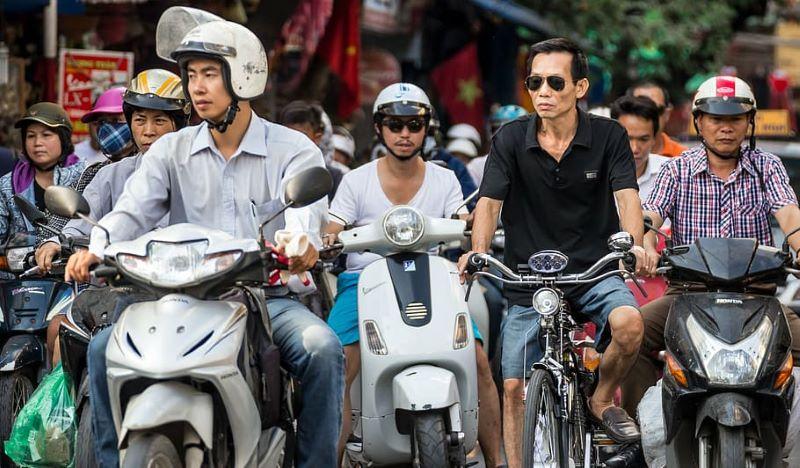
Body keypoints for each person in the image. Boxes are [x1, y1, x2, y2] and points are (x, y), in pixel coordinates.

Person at [65, 13, 344, 467]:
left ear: (244, 76)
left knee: (322, 350)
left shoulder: (293, 150)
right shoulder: (171, 151)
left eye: (210, 74)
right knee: (102, 350)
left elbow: (303, 214)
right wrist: (97, 245)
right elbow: (132, 210)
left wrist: (298, 244)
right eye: (191, 75)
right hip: (181, 298)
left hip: (266, 298)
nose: (197, 87)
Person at [458, 37, 649, 467]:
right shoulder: (509, 139)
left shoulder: (609, 136)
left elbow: (627, 198)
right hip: (531, 279)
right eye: (535, 81)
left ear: (580, 88)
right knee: (511, 386)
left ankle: (601, 398)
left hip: (594, 273)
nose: (543, 91)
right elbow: (488, 204)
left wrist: (634, 246)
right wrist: (479, 252)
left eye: (555, 82)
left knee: (630, 324)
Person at [325, 82, 504, 467]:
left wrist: (472, 229)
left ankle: (497, 461)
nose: (404, 134)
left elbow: (463, 222)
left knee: (478, 359)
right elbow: (331, 230)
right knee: (339, 365)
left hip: (433, 281)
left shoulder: (445, 179)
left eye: (413, 125)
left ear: (427, 128)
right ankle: (331, 458)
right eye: (394, 124)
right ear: (379, 128)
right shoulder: (356, 180)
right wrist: (330, 238)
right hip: (363, 284)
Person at [622, 76, 800, 422]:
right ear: (699, 122)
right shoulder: (677, 170)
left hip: (757, 298)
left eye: (735, 119)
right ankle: (635, 433)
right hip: (687, 296)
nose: (726, 128)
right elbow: (648, 220)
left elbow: (790, 215)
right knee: (633, 333)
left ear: (750, 122)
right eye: (716, 119)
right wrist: (644, 248)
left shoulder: (768, 167)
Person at [35, 69, 191, 363]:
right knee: (65, 331)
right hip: (124, 288)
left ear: (179, 124)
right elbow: (84, 217)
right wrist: (57, 242)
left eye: (159, 121)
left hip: (187, 292)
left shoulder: (200, 172)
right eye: (140, 120)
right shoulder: (111, 174)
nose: (148, 131)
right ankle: (68, 409)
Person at [0, 102, 84, 243]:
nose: (37, 142)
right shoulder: (7, 184)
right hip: (23, 263)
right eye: (31, 136)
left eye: (46, 135)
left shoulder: (84, 176)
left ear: (63, 139)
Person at [277, 100, 345, 199]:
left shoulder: (334, 178)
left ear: (317, 138)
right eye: (288, 137)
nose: (294, 144)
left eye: (302, 137)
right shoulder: (271, 172)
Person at [609, 95, 670, 201]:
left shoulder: (671, 173)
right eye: (627, 139)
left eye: (643, 139)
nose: (635, 148)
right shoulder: (593, 175)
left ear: (654, 138)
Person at [469, 105, 528, 187]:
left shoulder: (539, 161)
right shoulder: (477, 165)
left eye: (512, 130)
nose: (503, 136)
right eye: (497, 129)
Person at [627, 80, 687, 157]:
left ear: (667, 113)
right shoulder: (612, 154)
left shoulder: (683, 158)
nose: (649, 115)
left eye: (656, 110)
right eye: (640, 109)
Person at [78, 87, 137, 164]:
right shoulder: (94, 172)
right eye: (102, 121)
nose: (106, 128)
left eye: (115, 120)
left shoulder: (148, 167)